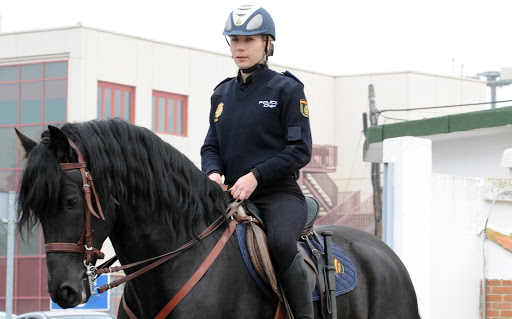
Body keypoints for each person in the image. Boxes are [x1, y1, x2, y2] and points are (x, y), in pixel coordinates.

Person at [200, 5, 314, 318]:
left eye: (249, 40)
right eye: (235, 39)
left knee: (279, 244)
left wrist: (255, 176)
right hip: (229, 196)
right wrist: (212, 173)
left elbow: (299, 149)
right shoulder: (221, 94)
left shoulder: (288, 89)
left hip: (277, 195)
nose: (240, 47)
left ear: (267, 43)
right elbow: (210, 146)